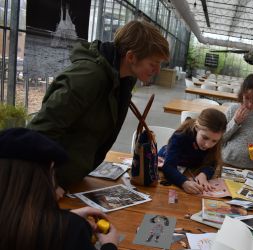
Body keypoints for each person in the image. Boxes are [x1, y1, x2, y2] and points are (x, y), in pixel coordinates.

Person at [28, 20, 169, 194]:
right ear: (131, 57)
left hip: (70, 180)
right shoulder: (88, 77)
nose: (157, 70)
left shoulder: (122, 80)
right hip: (46, 185)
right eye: (153, 63)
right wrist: (47, 182)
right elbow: (39, 133)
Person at [0, 128, 125, 250]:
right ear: (47, 174)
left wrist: (66, 216)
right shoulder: (70, 231)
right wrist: (110, 248)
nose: (58, 191)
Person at [159, 108, 227, 194]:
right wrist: (183, 182)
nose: (208, 145)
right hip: (167, 163)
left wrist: (204, 174)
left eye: (214, 141)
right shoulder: (180, 136)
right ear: (197, 128)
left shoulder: (215, 137)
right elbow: (168, 166)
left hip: (190, 169)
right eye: (205, 138)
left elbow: (212, 162)